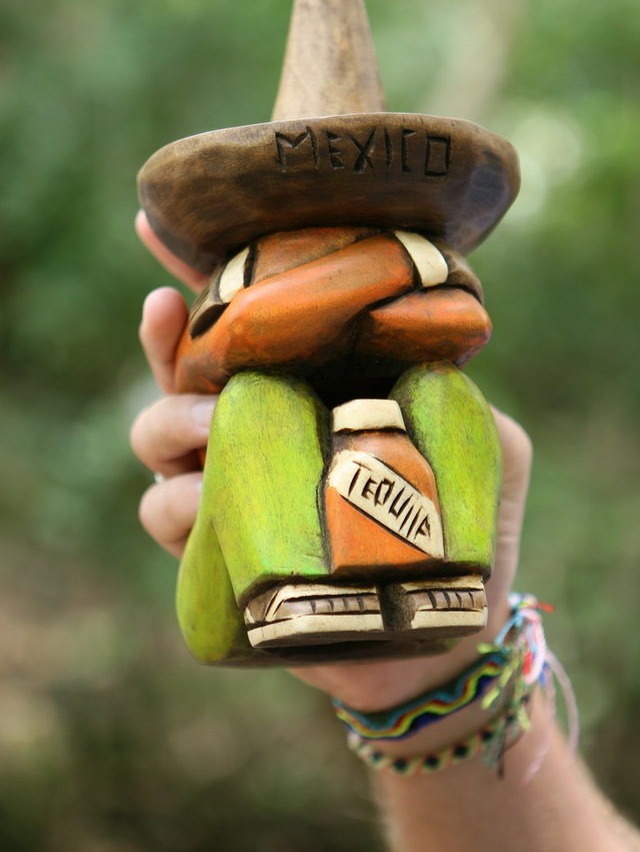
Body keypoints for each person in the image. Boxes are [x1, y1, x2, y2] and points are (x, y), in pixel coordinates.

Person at [130, 210, 640, 851]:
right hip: (267, 538)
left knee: (445, 392)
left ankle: (447, 576)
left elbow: (463, 321)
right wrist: (386, 274)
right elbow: (226, 341)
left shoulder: (424, 327)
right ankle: (287, 586)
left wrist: (437, 677)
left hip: (400, 489)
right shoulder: (269, 288)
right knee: (257, 400)